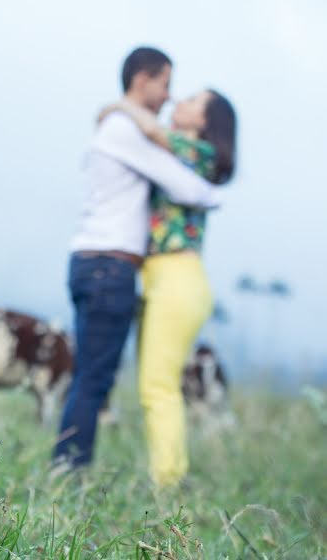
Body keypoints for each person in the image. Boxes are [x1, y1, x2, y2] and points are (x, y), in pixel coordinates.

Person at [53, 47, 222, 470]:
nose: (169, 97)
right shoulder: (123, 130)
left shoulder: (120, 126)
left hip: (95, 263)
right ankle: (69, 468)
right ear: (143, 79)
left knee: (91, 376)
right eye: (165, 84)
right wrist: (212, 196)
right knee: (95, 379)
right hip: (110, 267)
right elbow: (188, 189)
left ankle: (68, 466)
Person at [100, 89, 237, 486]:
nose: (180, 100)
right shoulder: (178, 153)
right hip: (162, 277)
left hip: (177, 277)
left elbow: (153, 132)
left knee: (159, 385)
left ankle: (169, 481)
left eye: (193, 101)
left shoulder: (199, 152)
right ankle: (169, 475)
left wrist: (119, 105)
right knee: (153, 385)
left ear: (205, 122)